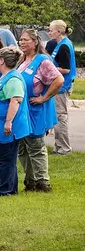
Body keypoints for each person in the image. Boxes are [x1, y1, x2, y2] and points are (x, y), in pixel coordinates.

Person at [17, 30, 63, 192]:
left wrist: (44, 98)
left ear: (35, 42)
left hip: (35, 110)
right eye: (20, 40)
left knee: (36, 147)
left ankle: (43, 182)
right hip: (22, 111)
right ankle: (30, 181)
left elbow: (59, 80)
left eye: (25, 40)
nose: (22, 43)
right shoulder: (22, 60)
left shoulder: (43, 61)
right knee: (22, 148)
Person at [0, 46, 30, 197]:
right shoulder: (5, 76)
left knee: (6, 160)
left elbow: (15, 100)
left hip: (6, 128)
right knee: (5, 159)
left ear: (2, 61)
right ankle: (10, 189)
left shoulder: (13, 79)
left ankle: (5, 191)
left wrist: (8, 122)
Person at [48, 19, 76, 155]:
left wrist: (49, 68)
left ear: (58, 31)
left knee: (60, 116)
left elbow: (66, 69)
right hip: (58, 85)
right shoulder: (61, 44)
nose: (49, 32)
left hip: (62, 85)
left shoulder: (64, 46)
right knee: (57, 116)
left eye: (51, 30)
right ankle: (58, 146)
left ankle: (64, 148)